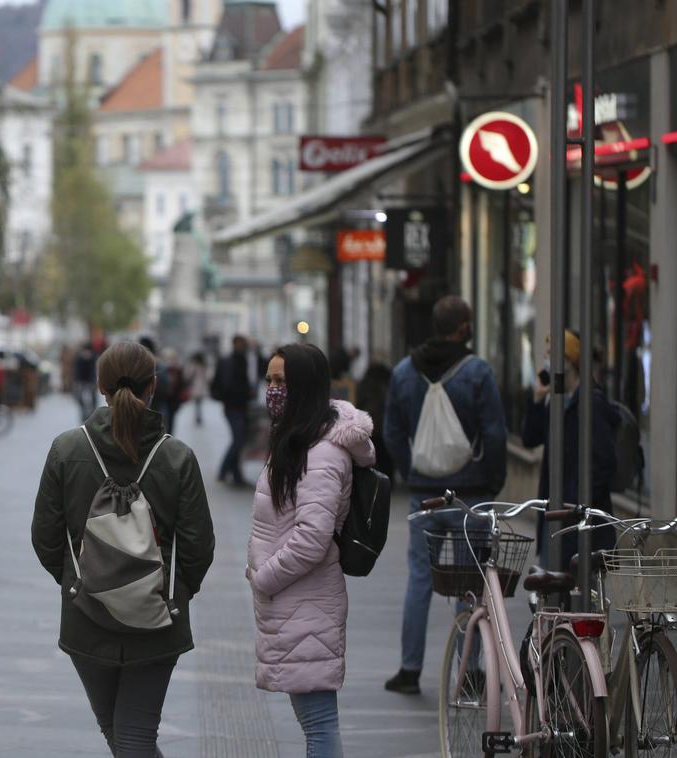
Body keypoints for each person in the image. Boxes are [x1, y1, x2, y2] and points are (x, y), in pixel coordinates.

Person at [31, 341, 215, 758]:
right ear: (154, 386)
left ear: (99, 386)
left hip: (86, 614)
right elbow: (198, 547)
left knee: (120, 733)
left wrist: (80, 580)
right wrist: (172, 591)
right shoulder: (177, 457)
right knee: (132, 735)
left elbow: (45, 537)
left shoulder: (67, 450)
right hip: (157, 619)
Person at [247, 343, 376, 758]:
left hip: (306, 602)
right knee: (313, 722)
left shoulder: (321, 452)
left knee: (319, 725)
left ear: (304, 386)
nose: (272, 389)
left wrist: (264, 577)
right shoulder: (300, 440)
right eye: (268, 379)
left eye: (281, 381)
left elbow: (312, 539)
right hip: (295, 601)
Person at [382, 295, 507, 695]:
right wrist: (492, 480)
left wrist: (412, 469)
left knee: (420, 579)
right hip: (470, 495)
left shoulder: (404, 371)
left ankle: (408, 669)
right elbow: (494, 433)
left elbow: (391, 432)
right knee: (470, 584)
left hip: (424, 496)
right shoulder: (478, 373)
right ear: (463, 326)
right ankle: (468, 672)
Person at [521, 330, 619, 565]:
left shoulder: (591, 403)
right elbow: (529, 438)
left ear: (569, 361)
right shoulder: (557, 402)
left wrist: (577, 503)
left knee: (580, 592)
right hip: (554, 515)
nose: (546, 362)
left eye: (550, 356)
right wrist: (537, 400)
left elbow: (604, 462)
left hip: (579, 521)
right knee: (552, 589)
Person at [212, 335, 261, 486]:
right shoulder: (231, 361)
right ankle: (223, 470)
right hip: (233, 406)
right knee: (238, 440)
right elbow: (226, 384)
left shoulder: (246, 360)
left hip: (240, 406)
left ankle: (236, 474)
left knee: (239, 439)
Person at [73, 342, 99, 422]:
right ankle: (83, 413)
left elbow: (93, 371)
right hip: (81, 381)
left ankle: (93, 414)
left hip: (91, 381)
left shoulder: (93, 358)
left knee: (93, 397)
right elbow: (77, 372)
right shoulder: (79, 358)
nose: (86, 354)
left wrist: (93, 382)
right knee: (79, 397)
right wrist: (77, 383)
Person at [184, 352, 210, 427]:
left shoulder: (194, 365)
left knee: (197, 403)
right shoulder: (204, 365)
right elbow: (208, 376)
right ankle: (198, 417)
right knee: (199, 403)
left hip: (196, 386)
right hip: (202, 387)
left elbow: (188, 376)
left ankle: (198, 417)